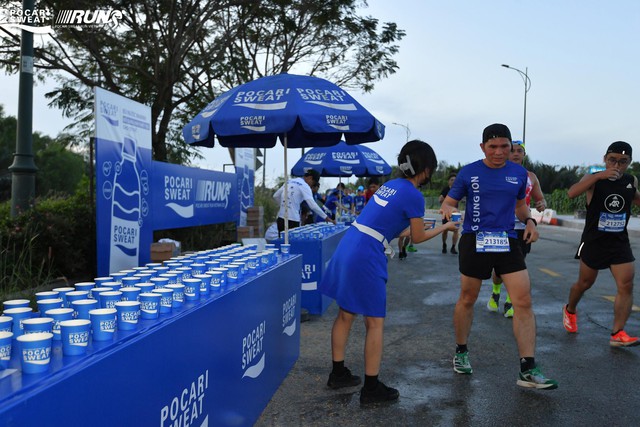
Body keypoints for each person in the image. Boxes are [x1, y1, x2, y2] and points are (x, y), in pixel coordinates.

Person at [320, 140, 459, 404]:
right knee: (374, 322)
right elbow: (417, 238)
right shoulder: (413, 194)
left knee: (345, 313)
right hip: (366, 255)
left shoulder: (390, 186)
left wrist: (422, 226)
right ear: (427, 169)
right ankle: (371, 389)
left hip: (351, 244)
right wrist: (444, 228)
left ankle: (337, 373)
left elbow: (392, 228)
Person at [440, 123, 558, 390]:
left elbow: (519, 205)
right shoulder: (469, 172)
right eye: (492, 146)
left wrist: (529, 221)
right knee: (468, 298)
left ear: (511, 147)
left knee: (523, 301)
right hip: (475, 239)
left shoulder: (518, 174)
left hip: (506, 240)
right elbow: (450, 201)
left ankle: (528, 368)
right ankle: (461, 351)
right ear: (483, 147)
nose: (499, 151)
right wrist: (449, 211)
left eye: (504, 146)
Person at [563, 141, 640, 347]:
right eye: (612, 160)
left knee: (626, 284)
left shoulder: (631, 180)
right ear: (605, 159)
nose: (617, 165)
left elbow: (636, 198)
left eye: (623, 161)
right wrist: (598, 176)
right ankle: (570, 309)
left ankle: (618, 333)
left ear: (629, 162)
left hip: (619, 242)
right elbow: (571, 193)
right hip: (594, 241)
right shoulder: (594, 179)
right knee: (585, 283)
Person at [487, 141, 546, 318]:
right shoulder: (495, 173)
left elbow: (540, 199)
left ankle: (510, 301)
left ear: (524, 155)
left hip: (521, 227)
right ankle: (496, 290)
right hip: (500, 226)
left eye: (520, 151)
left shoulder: (531, 177)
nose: (516, 154)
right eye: (512, 150)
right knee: (499, 268)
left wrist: (541, 204)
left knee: (517, 265)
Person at [438, 173, 460, 255]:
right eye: (452, 180)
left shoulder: (458, 189)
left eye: (455, 180)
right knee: (445, 230)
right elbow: (440, 199)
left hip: (455, 213)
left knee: (456, 230)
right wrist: (443, 201)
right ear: (448, 181)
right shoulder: (446, 189)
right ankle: (444, 245)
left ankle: (453, 247)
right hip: (446, 212)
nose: (453, 181)